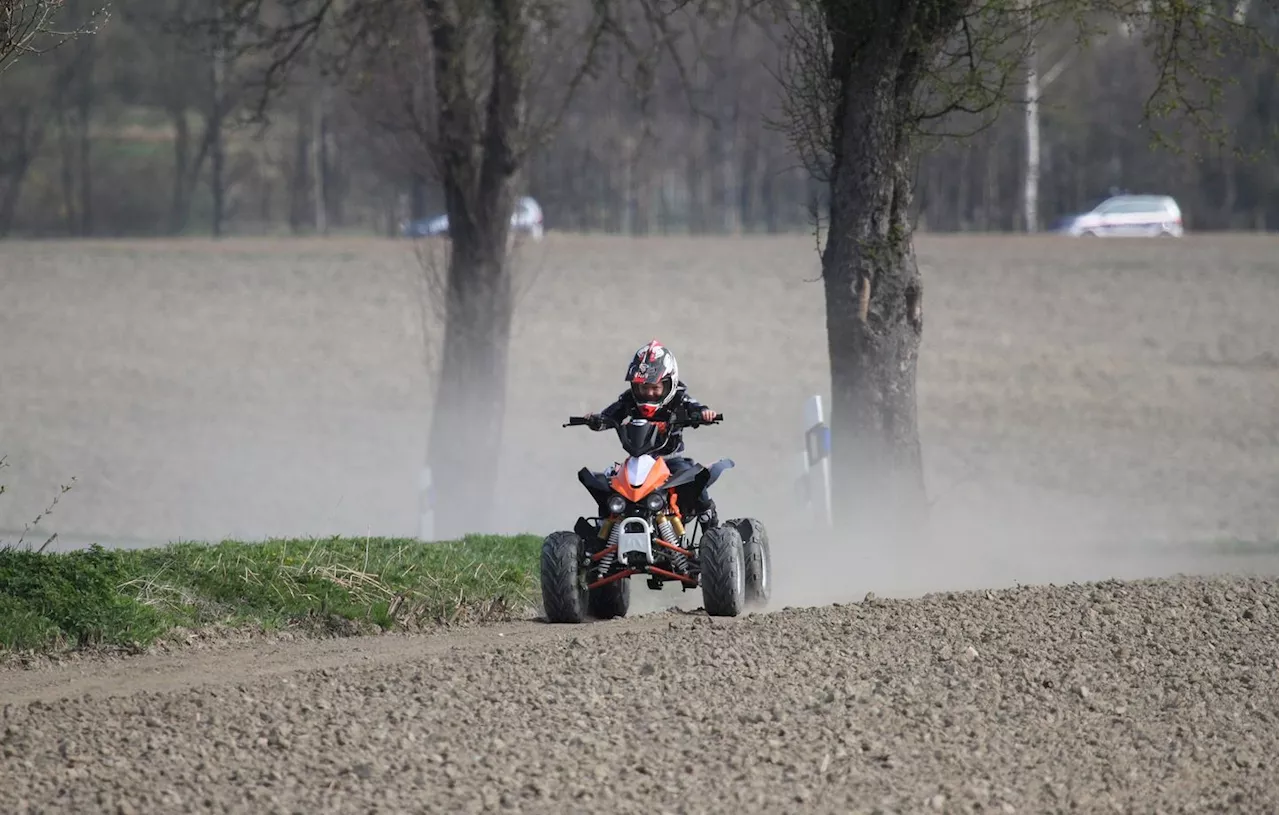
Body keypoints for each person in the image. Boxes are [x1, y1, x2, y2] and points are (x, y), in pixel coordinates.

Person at [583, 340, 721, 526]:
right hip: (636, 462)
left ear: (669, 384)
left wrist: (704, 414)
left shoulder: (679, 398)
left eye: (655, 388)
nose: (649, 393)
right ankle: (601, 532)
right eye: (643, 388)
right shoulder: (629, 400)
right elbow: (610, 415)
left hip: (671, 460)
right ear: (635, 386)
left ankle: (709, 524)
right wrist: (597, 420)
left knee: (696, 479)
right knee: (608, 486)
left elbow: (695, 406)